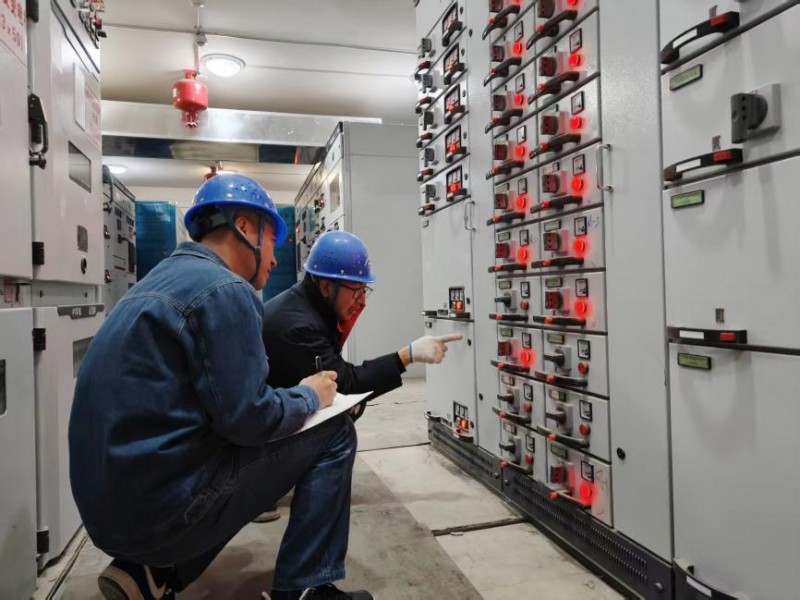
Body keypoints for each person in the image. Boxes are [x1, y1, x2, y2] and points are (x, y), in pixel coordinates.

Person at [69, 174, 372, 600]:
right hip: (160, 519)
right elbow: (251, 420)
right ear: (245, 228)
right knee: (334, 428)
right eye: (272, 241)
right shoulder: (226, 289)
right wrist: (310, 395)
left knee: (218, 444)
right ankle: (305, 588)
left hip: (106, 517)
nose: (275, 258)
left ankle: (151, 573)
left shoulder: (152, 283)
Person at [262, 230, 462, 419]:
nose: (361, 300)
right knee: (341, 421)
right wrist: (407, 355)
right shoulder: (299, 327)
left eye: (364, 290)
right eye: (356, 290)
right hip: (266, 431)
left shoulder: (308, 304)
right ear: (326, 287)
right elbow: (347, 384)